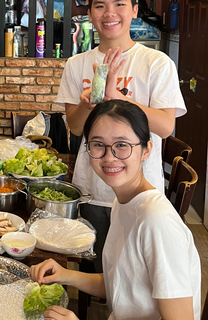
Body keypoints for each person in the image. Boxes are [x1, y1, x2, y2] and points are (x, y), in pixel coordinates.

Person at [30, 100, 201, 320]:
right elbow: (119, 285)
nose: (109, 157)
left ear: (146, 150)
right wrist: (65, 275)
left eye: (122, 145)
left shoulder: (157, 221)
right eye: (98, 144)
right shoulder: (123, 203)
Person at [55, 0, 187, 273]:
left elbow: (164, 126)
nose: (110, 13)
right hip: (92, 191)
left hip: (140, 196)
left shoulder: (156, 63)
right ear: (90, 13)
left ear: (135, 10)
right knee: (97, 275)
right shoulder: (77, 64)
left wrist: (118, 99)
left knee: (135, 280)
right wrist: (88, 105)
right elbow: (76, 127)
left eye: (119, 3)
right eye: (100, 5)